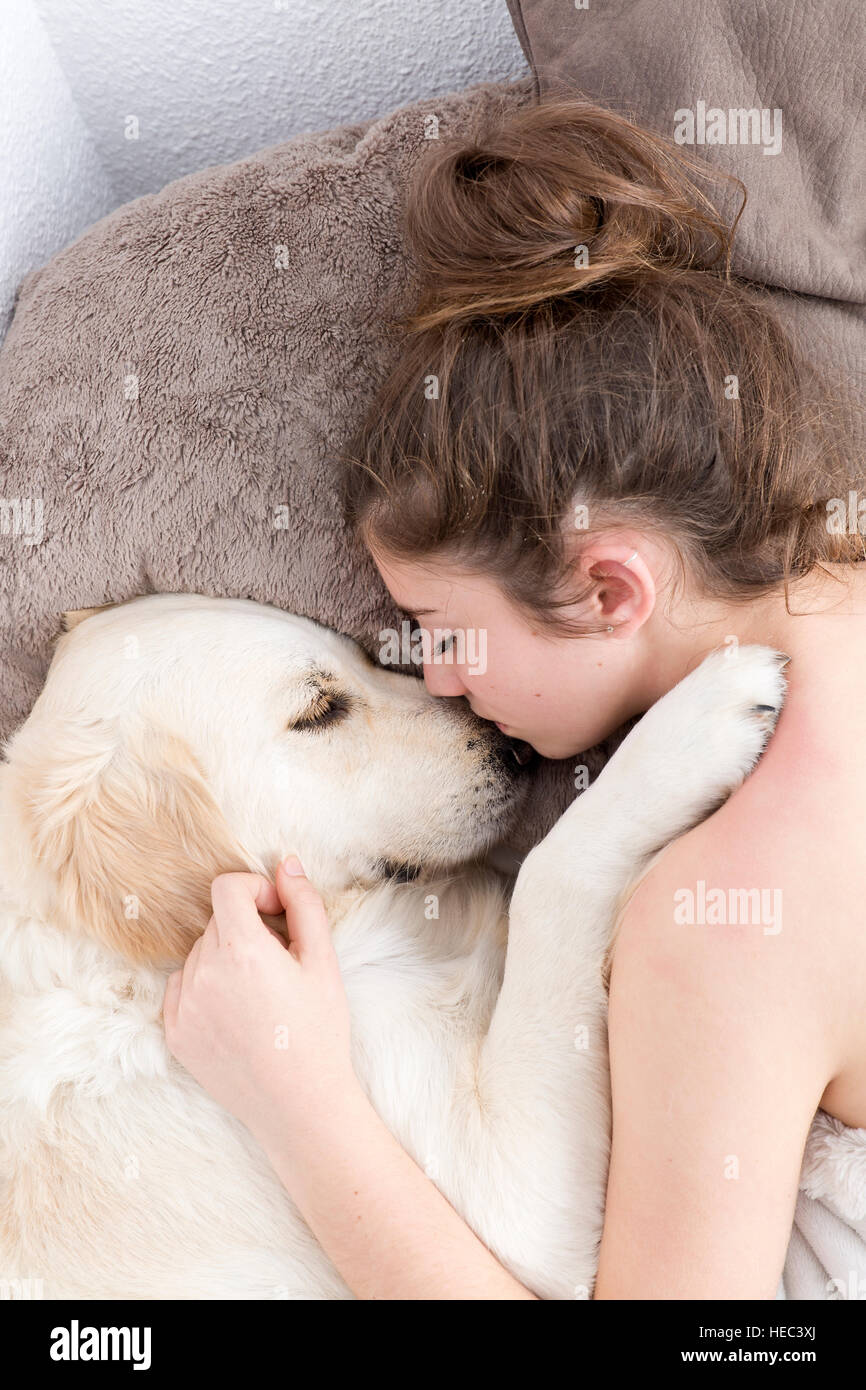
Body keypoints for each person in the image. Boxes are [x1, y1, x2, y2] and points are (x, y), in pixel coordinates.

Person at [163, 98, 865, 1299]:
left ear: (606, 585)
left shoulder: (718, 931)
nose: (432, 677)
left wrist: (296, 1107)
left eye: (443, 632)